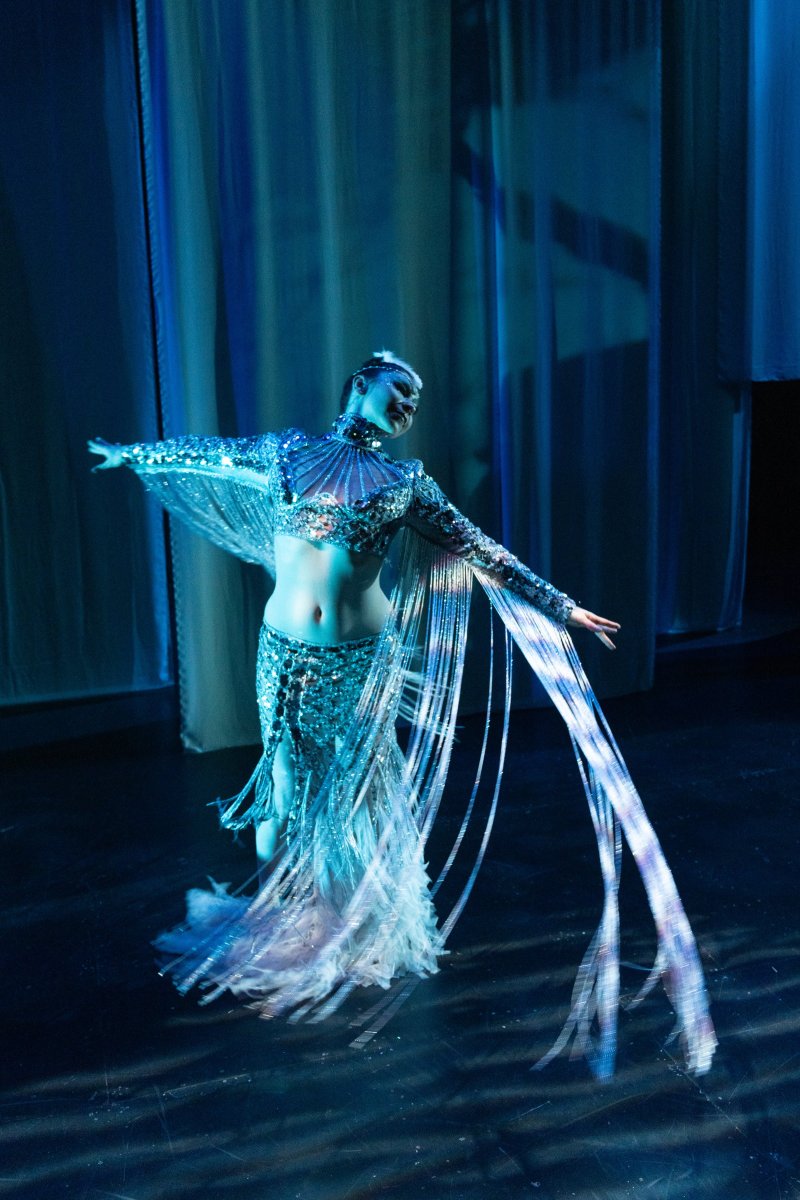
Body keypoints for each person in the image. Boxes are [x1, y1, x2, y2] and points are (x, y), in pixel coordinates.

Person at [89, 351, 716, 1077]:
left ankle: (335, 918)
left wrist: (562, 606)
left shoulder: (403, 482)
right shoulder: (288, 452)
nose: (408, 409)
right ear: (361, 383)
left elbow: (486, 553)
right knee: (283, 787)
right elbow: (210, 458)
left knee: (353, 789)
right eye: (400, 392)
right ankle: (286, 917)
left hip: (360, 661)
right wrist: (134, 453)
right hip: (285, 653)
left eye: (416, 403)